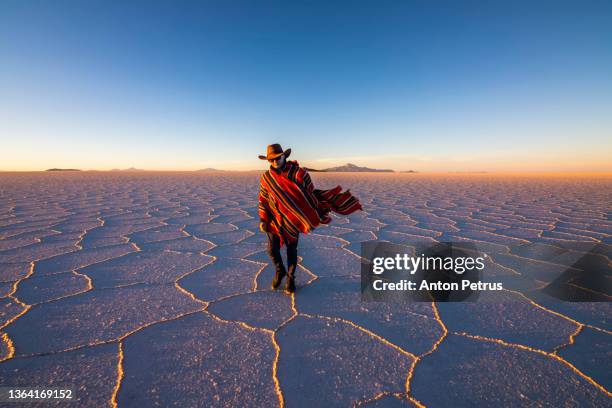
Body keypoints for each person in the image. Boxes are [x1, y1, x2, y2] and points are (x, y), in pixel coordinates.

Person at [257, 143, 362, 294]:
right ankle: (280, 271)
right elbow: (264, 199)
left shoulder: (297, 173)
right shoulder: (267, 177)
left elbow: (309, 193)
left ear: (283, 156)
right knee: (272, 250)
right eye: (271, 160)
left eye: (277, 158)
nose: (275, 162)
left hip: (294, 219)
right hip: (274, 219)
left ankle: (290, 278)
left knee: (291, 251)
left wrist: (310, 205)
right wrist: (263, 219)